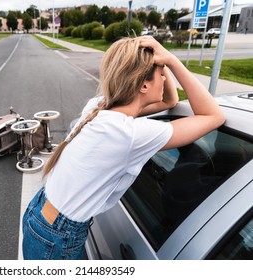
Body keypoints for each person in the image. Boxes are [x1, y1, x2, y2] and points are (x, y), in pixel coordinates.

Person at [22, 36, 225, 260]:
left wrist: (163, 61)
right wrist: (173, 61)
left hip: (40, 214)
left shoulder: (99, 107)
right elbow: (212, 115)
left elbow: (170, 102)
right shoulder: (129, 134)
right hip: (57, 238)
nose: (166, 80)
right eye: (162, 74)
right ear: (144, 85)